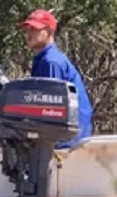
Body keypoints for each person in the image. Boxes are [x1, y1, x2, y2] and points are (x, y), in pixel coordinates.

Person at [18, 9, 93, 145]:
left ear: (50, 31)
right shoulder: (43, 59)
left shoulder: (51, 62)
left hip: (68, 140)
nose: (29, 34)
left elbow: (51, 107)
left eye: (35, 29)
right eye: (27, 30)